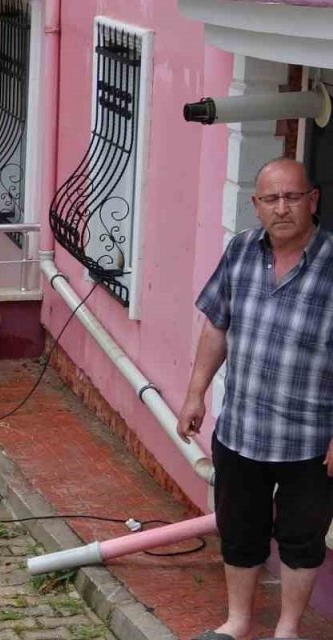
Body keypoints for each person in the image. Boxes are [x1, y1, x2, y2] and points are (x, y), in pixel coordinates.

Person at [178, 157, 332, 640]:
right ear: (256, 205)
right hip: (241, 429)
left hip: (309, 440)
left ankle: (287, 630)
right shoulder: (241, 250)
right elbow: (217, 325)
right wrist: (195, 393)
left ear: (313, 200)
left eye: (292, 197)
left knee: (301, 541)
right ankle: (238, 624)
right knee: (240, 531)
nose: (282, 208)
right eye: (271, 199)